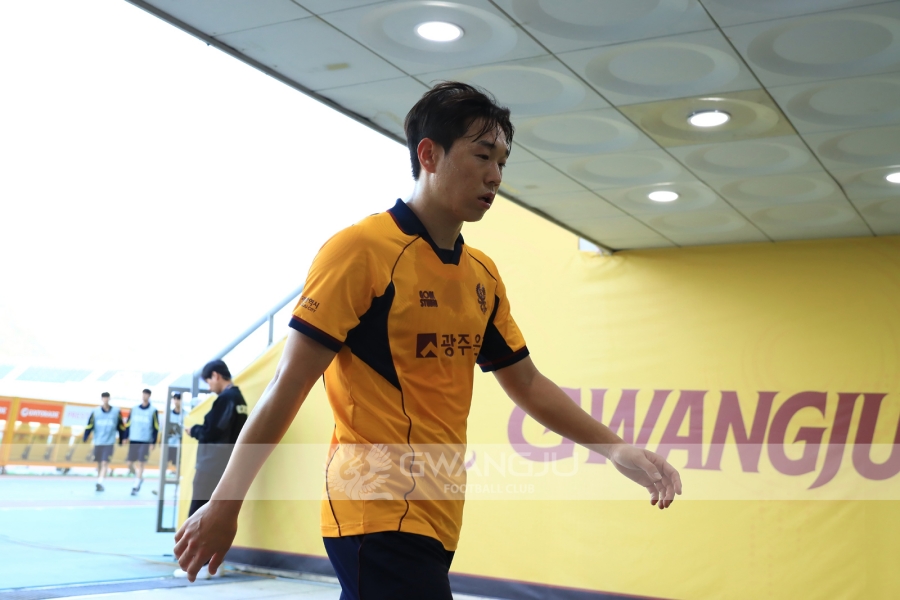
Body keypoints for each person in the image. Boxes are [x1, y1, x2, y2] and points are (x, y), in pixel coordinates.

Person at [174, 82, 683, 596]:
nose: (495, 175)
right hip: (375, 511)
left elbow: (528, 384)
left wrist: (616, 449)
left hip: (438, 516)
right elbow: (289, 383)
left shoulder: (482, 275)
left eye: (502, 162)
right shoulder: (361, 250)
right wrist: (225, 502)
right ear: (429, 154)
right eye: (482, 155)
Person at [173, 360, 248, 579]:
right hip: (226, 465)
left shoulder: (225, 399)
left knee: (199, 512)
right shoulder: (240, 400)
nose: (209, 386)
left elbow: (212, 431)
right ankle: (214, 564)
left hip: (211, 465)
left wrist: (194, 430)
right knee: (217, 514)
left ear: (216, 375)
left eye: (208, 381)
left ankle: (197, 566)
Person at [83, 392, 126, 492]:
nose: (105, 399)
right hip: (98, 441)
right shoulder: (95, 411)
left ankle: (100, 482)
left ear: (109, 399)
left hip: (109, 442)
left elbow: (121, 426)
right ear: (101, 399)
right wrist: (86, 436)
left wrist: (122, 439)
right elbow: (90, 425)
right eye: (104, 398)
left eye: (107, 397)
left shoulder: (116, 411)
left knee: (104, 462)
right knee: (99, 463)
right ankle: (100, 481)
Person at [126, 388, 159, 496]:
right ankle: (138, 477)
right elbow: (128, 423)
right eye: (143, 394)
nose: (145, 396)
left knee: (141, 463)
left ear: (149, 396)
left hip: (145, 440)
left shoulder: (153, 410)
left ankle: (136, 485)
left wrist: (153, 442)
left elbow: (156, 427)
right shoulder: (134, 409)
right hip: (134, 439)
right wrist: (125, 436)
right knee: (129, 463)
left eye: (147, 394)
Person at [166, 392, 184, 473]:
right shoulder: (168, 414)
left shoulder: (186, 414)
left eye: (178, 399)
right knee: (165, 461)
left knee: (178, 463)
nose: (176, 401)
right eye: (175, 399)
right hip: (169, 443)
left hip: (179, 444)